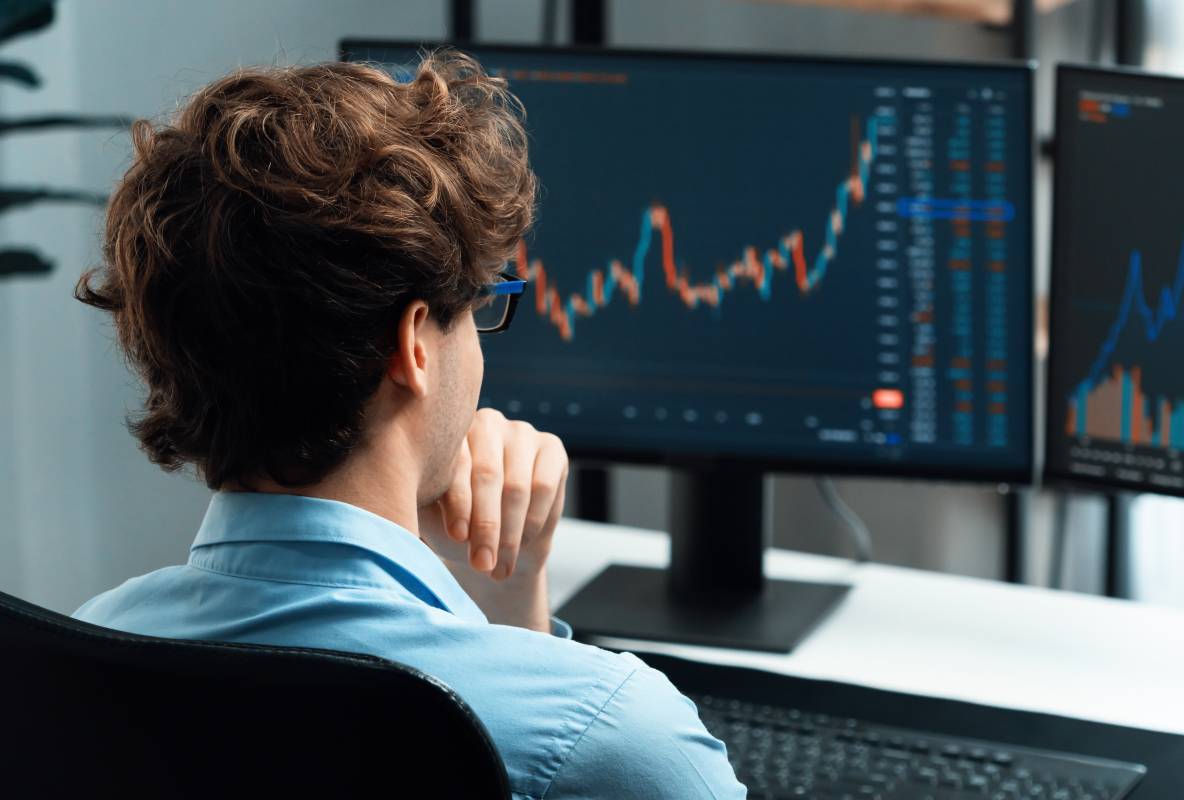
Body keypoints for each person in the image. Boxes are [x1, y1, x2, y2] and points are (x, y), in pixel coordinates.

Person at [69, 50, 745, 799]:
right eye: (482, 308)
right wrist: (522, 641)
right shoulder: (608, 733)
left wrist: (506, 594)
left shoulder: (86, 650)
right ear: (414, 344)